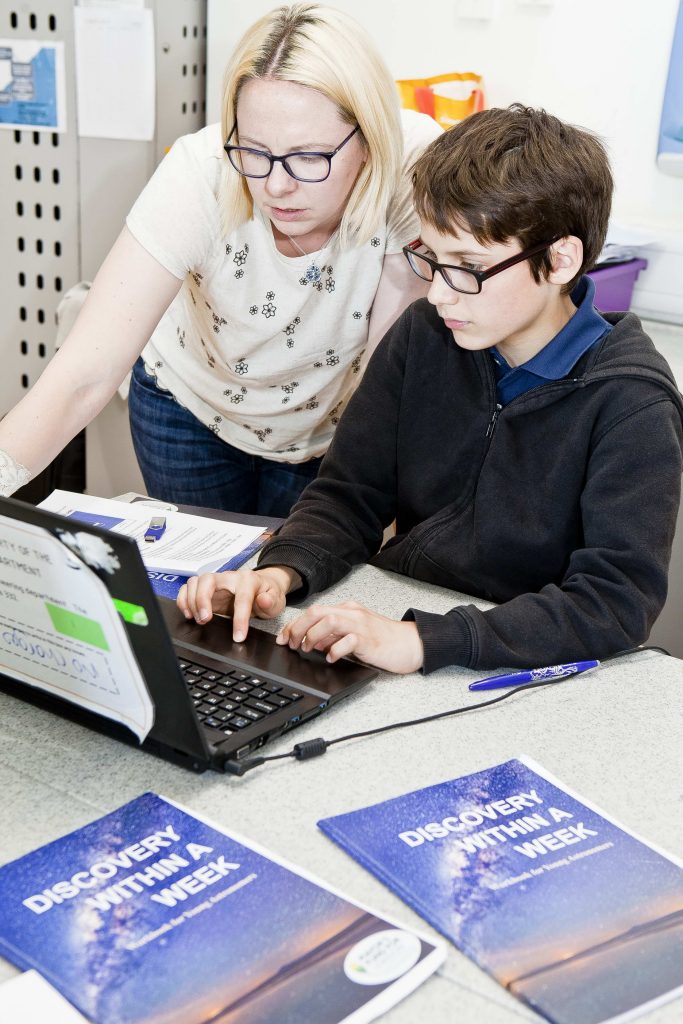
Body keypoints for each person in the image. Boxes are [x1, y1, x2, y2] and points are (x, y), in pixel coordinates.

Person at [180, 103, 683, 675]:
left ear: (559, 259)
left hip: (517, 667)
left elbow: (614, 603)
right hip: (406, 623)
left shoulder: (631, 403)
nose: (440, 293)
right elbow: (349, 495)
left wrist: (423, 641)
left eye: (467, 267)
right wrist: (279, 572)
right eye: (433, 259)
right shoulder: (426, 335)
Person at [0, 3, 440, 516]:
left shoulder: (412, 170)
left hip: (324, 425)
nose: (276, 185)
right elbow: (83, 375)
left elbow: (383, 380)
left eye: (309, 157)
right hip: (189, 407)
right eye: (254, 151)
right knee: (191, 565)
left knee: (288, 565)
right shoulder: (201, 172)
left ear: (368, 140)